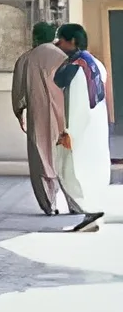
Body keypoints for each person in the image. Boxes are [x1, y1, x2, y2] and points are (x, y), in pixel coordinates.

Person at [11, 22, 79, 216]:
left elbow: (19, 94)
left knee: (41, 159)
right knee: (66, 161)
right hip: (63, 117)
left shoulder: (25, 59)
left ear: (34, 37)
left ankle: (49, 205)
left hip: (38, 117)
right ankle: (75, 204)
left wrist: (20, 113)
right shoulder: (64, 57)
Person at [51, 24, 110, 233]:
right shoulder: (96, 64)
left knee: (70, 169)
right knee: (88, 170)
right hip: (96, 129)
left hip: (81, 130)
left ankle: (91, 211)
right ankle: (92, 212)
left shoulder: (77, 67)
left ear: (72, 42)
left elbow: (76, 102)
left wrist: (68, 132)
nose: (58, 44)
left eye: (62, 40)